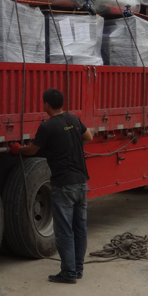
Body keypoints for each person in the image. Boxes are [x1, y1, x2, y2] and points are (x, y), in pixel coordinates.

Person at [11, 88, 93, 284]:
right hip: (81, 182)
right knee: (79, 228)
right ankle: (78, 269)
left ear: (46, 105)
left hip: (63, 185)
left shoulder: (47, 127)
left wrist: (18, 149)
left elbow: (32, 150)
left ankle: (68, 273)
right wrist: (71, 145)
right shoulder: (74, 119)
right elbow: (88, 137)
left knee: (64, 230)